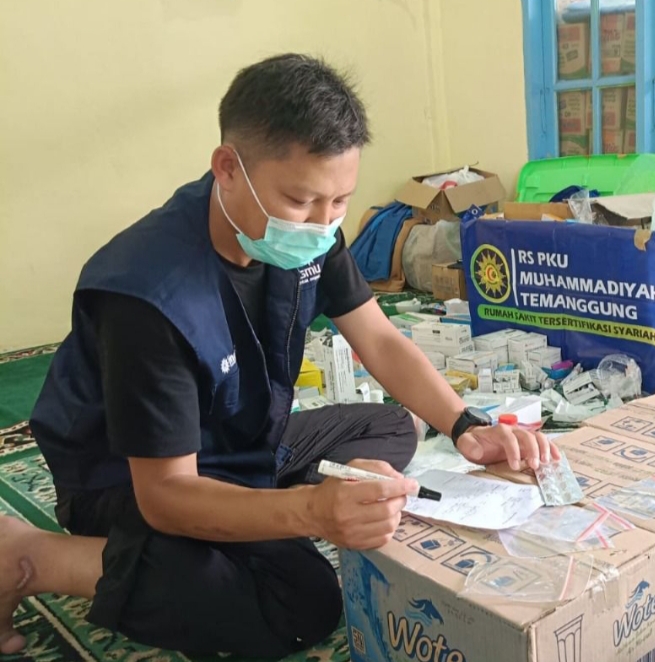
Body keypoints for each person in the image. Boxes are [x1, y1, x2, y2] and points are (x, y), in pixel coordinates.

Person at [0, 53, 555, 658]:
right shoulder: (148, 295)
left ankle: (259, 512)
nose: (322, 223)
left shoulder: (306, 232)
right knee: (298, 603)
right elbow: (166, 493)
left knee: (392, 425)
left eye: (340, 200)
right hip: (131, 480)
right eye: (301, 200)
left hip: (235, 441)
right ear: (228, 169)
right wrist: (314, 512)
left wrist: (467, 426)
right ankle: (30, 556)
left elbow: (380, 339)